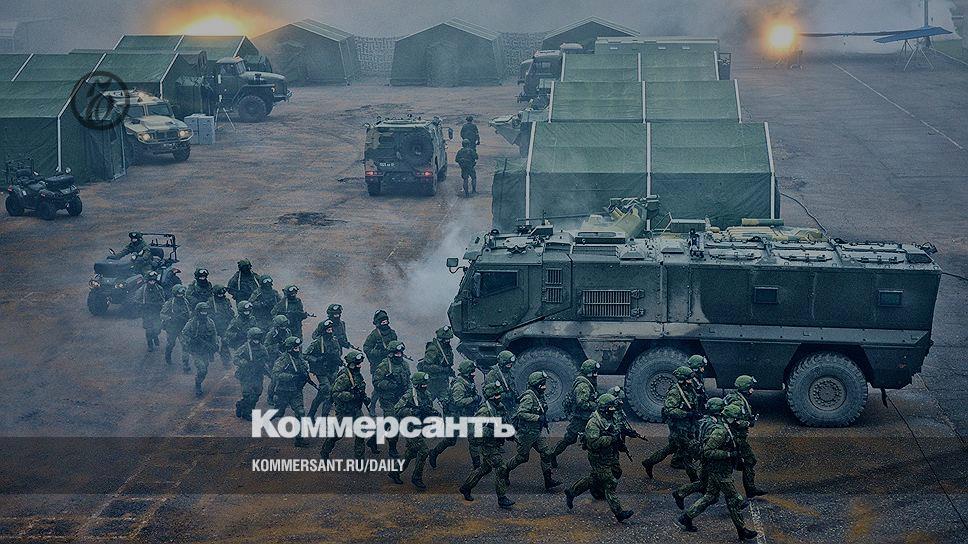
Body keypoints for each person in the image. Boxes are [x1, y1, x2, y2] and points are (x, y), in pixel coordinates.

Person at [677, 404, 758, 541]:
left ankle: (686, 517)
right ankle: (742, 530)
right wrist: (729, 454)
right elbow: (708, 452)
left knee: (711, 496)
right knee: (735, 499)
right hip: (720, 471)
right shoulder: (720, 432)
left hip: (720, 469)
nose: (738, 422)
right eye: (737, 419)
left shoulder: (727, 427)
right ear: (730, 418)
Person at [564, 393, 635, 522]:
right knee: (610, 482)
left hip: (610, 453)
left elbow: (617, 429)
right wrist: (611, 439)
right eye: (611, 408)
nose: (613, 410)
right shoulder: (594, 423)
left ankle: (572, 491)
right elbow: (593, 443)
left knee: (611, 473)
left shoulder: (610, 416)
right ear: (604, 408)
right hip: (599, 457)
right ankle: (619, 513)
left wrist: (621, 440)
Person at [459, 381, 514, 510]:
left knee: (485, 468)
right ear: (490, 397)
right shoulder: (484, 410)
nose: (499, 397)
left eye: (499, 394)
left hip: (495, 443)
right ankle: (502, 498)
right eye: (496, 395)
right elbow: (474, 430)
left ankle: (466, 487)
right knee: (501, 468)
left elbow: (505, 422)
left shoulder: (500, 407)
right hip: (487, 445)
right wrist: (493, 431)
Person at [503, 371, 560, 491]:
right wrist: (537, 418)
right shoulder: (529, 397)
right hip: (527, 434)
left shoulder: (539, 395)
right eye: (542, 384)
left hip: (537, 432)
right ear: (536, 385)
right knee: (522, 457)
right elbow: (521, 413)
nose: (544, 387)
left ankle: (548, 481)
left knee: (546, 453)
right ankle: (504, 470)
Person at [642, 366, 701, 482]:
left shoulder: (689, 389)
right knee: (687, 452)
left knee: (671, 448)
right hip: (679, 428)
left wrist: (695, 413)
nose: (691, 381)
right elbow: (670, 410)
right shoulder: (675, 392)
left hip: (688, 425)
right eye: (688, 379)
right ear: (682, 379)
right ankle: (695, 481)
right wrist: (687, 414)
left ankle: (649, 462)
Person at [388, 372, 440, 490]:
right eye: (423, 384)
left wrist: (433, 413)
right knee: (423, 451)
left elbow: (428, 407)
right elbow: (397, 409)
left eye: (426, 384)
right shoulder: (409, 395)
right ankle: (416, 478)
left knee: (411, 452)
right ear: (417, 385)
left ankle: (394, 472)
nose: (425, 386)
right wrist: (412, 412)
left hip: (419, 426)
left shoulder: (426, 394)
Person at [673, 397, 726, 509]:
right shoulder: (711, 424)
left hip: (702, 451)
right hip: (707, 453)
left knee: (705, 481)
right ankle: (734, 500)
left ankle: (680, 493)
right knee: (719, 479)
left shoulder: (705, 420)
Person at [429, 359, 482, 469]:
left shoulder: (468, 381)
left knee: (473, 438)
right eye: (471, 372)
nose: (473, 374)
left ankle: (477, 466)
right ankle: (433, 453)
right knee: (451, 440)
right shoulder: (459, 385)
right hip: (455, 416)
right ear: (466, 372)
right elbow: (458, 401)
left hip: (465, 415)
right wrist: (473, 399)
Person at [320, 351, 370, 460]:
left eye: (360, 363)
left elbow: (360, 389)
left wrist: (364, 397)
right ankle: (325, 452)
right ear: (351, 364)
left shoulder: (357, 375)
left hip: (356, 409)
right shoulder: (344, 377)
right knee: (337, 435)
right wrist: (351, 396)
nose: (359, 366)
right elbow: (336, 393)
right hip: (344, 411)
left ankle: (360, 460)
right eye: (357, 364)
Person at [550, 359, 600, 465]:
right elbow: (581, 403)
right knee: (569, 438)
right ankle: (551, 455)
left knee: (593, 438)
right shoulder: (583, 386)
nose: (596, 374)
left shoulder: (588, 381)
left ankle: (598, 465)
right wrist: (595, 405)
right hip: (580, 418)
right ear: (589, 372)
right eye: (594, 372)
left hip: (587, 417)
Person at [724, 375, 766, 498]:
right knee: (749, 460)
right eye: (750, 388)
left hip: (735, 437)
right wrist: (748, 423)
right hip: (736, 438)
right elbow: (732, 420)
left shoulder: (735, 396)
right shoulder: (737, 402)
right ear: (745, 389)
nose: (752, 390)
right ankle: (747, 491)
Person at [267, 336, 310, 447]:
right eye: (295, 348)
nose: (297, 350)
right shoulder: (282, 360)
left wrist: (304, 375)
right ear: (290, 348)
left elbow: (305, 368)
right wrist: (292, 377)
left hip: (296, 391)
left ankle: (299, 439)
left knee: (300, 412)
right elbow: (275, 374)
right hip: (283, 391)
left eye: (298, 347)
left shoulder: (299, 358)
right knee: (279, 412)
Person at [373, 340, 411, 457]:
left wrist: (409, 393)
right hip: (387, 399)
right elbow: (376, 381)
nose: (399, 355)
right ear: (391, 354)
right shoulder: (384, 365)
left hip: (400, 398)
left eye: (400, 353)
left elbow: (408, 381)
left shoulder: (405, 365)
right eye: (396, 353)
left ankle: (373, 439)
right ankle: (392, 448)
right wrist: (390, 385)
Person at [305, 319, 343, 418]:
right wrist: (317, 359)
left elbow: (337, 353)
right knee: (328, 392)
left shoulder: (334, 341)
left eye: (331, 329)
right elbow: (305, 355)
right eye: (328, 330)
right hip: (321, 370)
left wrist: (338, 360)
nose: (330, 331)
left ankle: (311, 414)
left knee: (322, 394)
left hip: (332, 369)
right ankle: (324, 416)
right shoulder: (317, 342)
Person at [182, 302, 219, 396]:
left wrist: (215, 344)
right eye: (202, 311)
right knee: (201, 368)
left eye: (205, 311)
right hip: (195, 350)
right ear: (198, 312)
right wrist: (190, 341)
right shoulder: (192, 322)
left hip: (205, 350)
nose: (204, 313)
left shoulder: (210, 322)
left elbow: (214, 334)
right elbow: (184, 333)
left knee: (205, 368)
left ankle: (199, 380)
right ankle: (198, 384)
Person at [234, 327, 271, 420]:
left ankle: (240, 405)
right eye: (254, 338)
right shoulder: (245, 348)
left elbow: (266, 359)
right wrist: (244, 363)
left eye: (258, 338)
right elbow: (236, 358)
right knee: (248, 394)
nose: (256, 340)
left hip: (257, 375)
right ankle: (247, 413)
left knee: (257, 393)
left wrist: (265, 368)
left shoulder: (262, 348)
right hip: (246, 375)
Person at [418, 326, 456, 407]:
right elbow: (426, 366)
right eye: (446, 340)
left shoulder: (446, 348)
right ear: (441, 339)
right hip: (432, 382)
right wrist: (442, 369)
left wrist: (449, 371)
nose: (448, 341)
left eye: (449, 339)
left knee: (448, 405)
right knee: (426, 405)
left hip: (443, 382)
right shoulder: (433, 349)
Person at [362, 309, 397, 391]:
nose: (385, 324)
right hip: (378, 364)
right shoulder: (374, 335)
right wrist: (380, 353)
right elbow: (366, 348)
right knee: (379, 387)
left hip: (391, 363)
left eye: (386, 322)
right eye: (383, 322)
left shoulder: (392, 333)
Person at [160, 284, 192, 367]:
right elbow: (162, 314)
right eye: (178, 294)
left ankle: (185, 364)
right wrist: (171, 318)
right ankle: (168, 356)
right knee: (171, 344)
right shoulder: (169, 303)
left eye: (181, 294)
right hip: (172, 328)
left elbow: (190, 312)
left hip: (183, 327)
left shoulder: (186, 302)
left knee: (185, 345)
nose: (180, 295)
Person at [136, 270, 166, 352]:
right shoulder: (143, 289)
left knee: (157, 329)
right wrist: (141, 305)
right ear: (147, 281)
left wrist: (160, 306)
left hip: (156, 312)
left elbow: (163, 299)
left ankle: (155, 336)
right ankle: (150, 344)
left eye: (153, 281)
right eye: (150, 281)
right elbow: (137, 299)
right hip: (147, 312)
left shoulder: (159, 289)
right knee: (149, 330)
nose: (152, 282)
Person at [208, 285, 235, 366]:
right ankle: (210, 354)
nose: (221, 296)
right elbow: (206, 315)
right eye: (219, 294)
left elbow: (230, 310)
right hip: (214, 326)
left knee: (225, 341)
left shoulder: (226, 301)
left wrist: (231, 316)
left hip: (224, 324)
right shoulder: (210, 302)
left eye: (222, 294)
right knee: (212, 343)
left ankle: (226, 360)